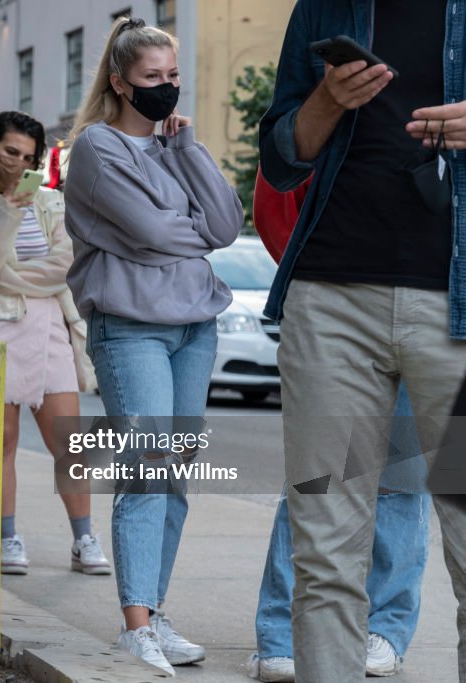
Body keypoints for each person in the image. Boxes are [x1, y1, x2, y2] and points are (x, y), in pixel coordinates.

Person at [259, 2, 466, 680]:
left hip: (458, 315)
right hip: (332, 306)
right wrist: (327, 99)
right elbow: (282, 157)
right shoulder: (325, 5)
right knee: (326, 544)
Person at [63, 17, 242, 676]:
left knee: (174, 477)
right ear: (119, 82)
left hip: (196, 324)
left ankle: (156, 611)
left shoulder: (176, 146)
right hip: (130, 325)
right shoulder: (97, 148)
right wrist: (187, 227)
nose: (165, 89)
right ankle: (135, 626)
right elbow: (148, 233)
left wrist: (188, 148)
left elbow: (225, 223)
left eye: (172, 77)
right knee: (147, 468)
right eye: (151, 79)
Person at [246, 168, 430, 682]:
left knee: (405, 481)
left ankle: (387, 629)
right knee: (316, 481)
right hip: (341, 311)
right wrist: (318, 284)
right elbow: (275, 199)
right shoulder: (331, 100)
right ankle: (282, 634)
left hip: (435, 308)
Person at [0, 111, 110, 576]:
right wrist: (8, 209)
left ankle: (84, 539)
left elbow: (66, 264)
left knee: (70, 443)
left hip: (49, 325)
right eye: (10, 152)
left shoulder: (53, 203)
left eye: (29, 157)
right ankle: (7, 536)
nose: (18, 164)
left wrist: (8, 277)